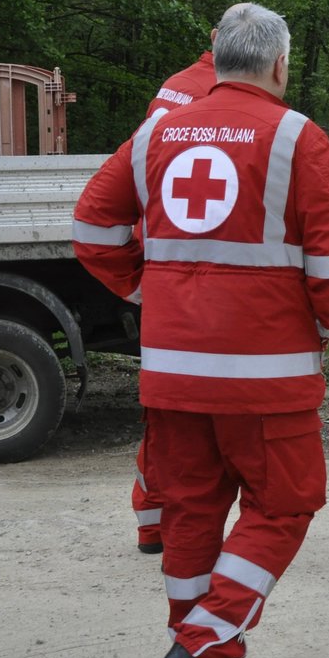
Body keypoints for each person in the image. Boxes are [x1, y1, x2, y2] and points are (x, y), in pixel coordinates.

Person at [73, 2, 329, 658]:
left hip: (173, 367)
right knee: (288, 502)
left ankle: (201, 648)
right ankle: (203, 647)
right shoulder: (298, 136)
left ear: (217, 57)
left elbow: (92, 225)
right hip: (265, 371)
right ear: (279, 64)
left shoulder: (156, 133)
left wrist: (150, 290)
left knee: (192, 508)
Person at [132, 43, 218, 555]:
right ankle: (195, 530)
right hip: (209, 276)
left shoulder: (174, 85)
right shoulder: (227, 94)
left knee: (166, 412)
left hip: (162, 269)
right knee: (210, 416)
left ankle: (152, 521)